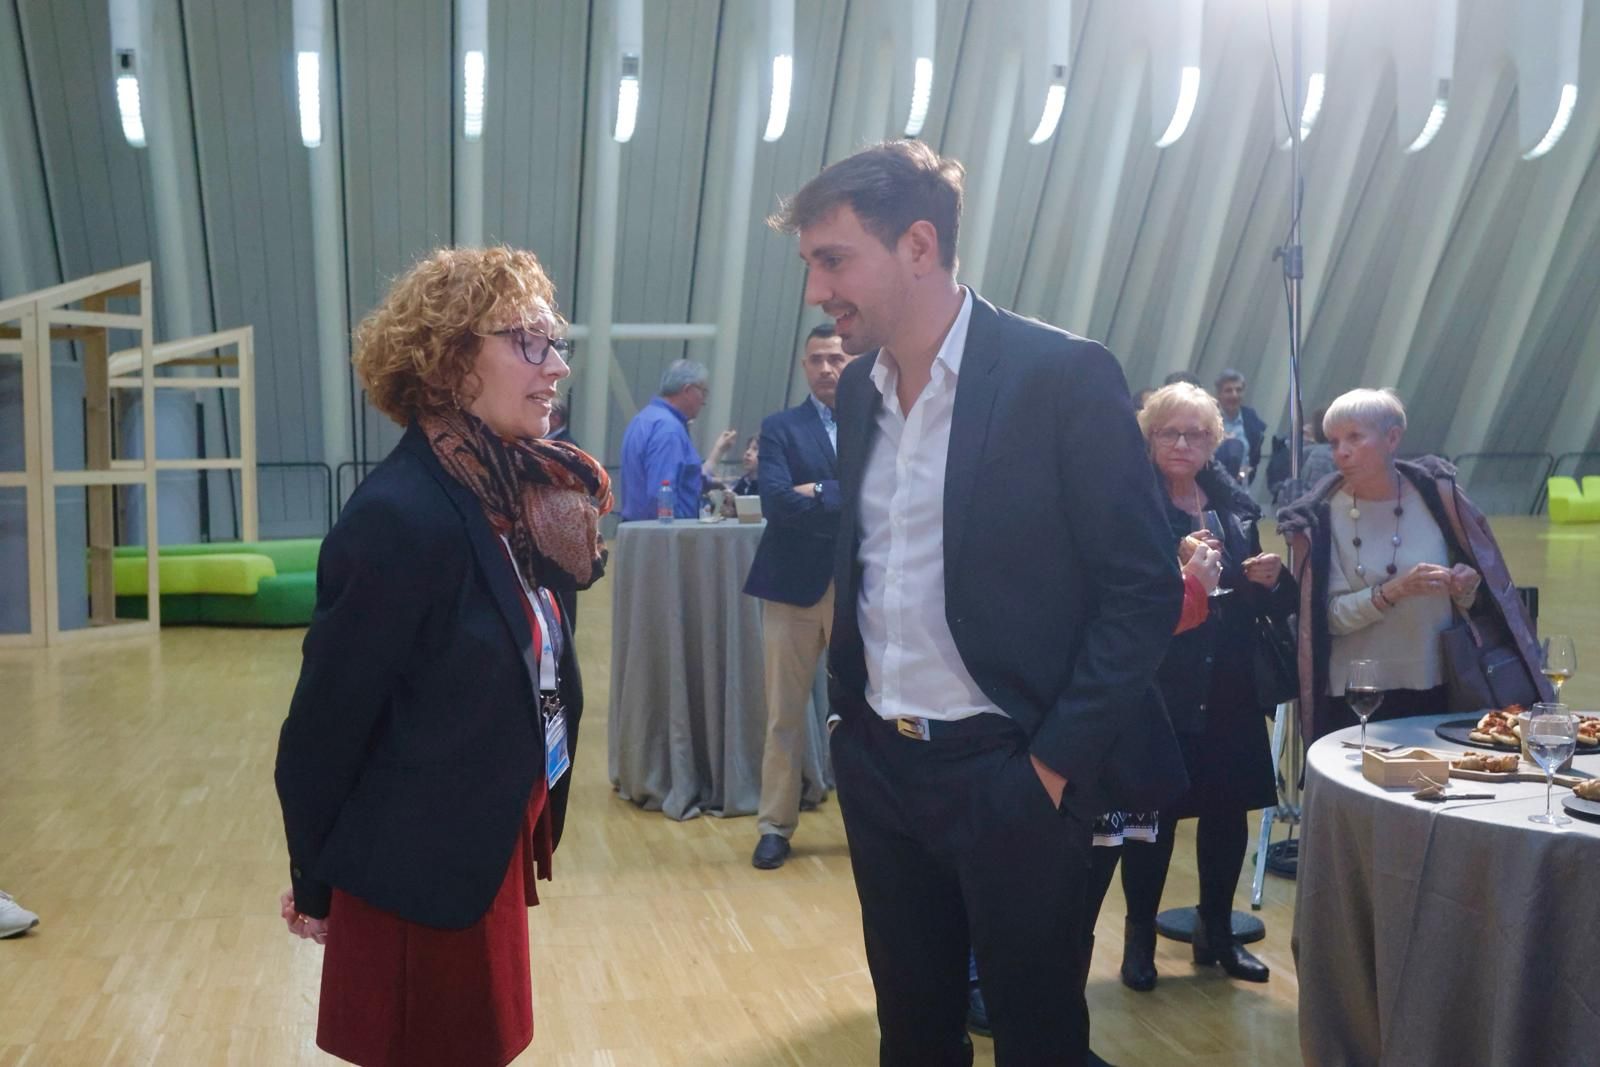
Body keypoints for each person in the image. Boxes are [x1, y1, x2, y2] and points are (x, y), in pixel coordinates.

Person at [774, 139, 1186, 1067]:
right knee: (912, 1037)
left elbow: (1142, 586)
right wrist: (853, 732)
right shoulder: (857, 400)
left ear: (919, 245)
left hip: (1010, 771)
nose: (816, 292)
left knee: (1038, 1038)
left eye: (833, 259)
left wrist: (1049, 767)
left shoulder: (1059, 376)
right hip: (882, 767)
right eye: (810, 264)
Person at [274, 246, 611, 1067]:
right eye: (528, 341)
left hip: (486, 844)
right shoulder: (400, 517)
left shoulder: (518, 495)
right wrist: (316, 882)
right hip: (416, 876)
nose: (557, 364)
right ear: (453, 360)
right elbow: (322, 731)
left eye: (554, 339)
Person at [1110, 383, 1297, 990]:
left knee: (1226, 815)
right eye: (1169, 432)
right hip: (1161, 682)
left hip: (1230, 679)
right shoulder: (1130, 503)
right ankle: (1138, 939)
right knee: (1152, 818)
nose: (1182, 443)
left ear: (1214, 441)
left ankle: (1215, 934)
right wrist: (1178, 564)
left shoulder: (1233, 504)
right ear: (1149, 438)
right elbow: (1123, 590)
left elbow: (1256, 595)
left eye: (1194, 433)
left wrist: (1271, 579)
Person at [1278, 388, 1549, 742]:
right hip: (1356, 695)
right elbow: (1324, 618)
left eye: (1354, 438)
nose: (1341, 453)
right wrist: (1397, 589)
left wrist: (1465, 589)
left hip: (1440, 685)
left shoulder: (1441, 499)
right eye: (1333, 442)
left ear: (1392, 438)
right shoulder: (1319, 516)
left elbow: (1475, 606)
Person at [744, 324, 855, 870]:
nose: (827, 368)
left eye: (836, 358)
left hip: (860, 590)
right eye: (817, 360)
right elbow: (775, 503)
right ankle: (775, 827)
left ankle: (869, 826)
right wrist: (843, 498)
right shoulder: (782, 426)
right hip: (791, 590)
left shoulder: (879, 422)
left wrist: (821, 492)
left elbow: (884, 495)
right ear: (804, 367)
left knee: (861, 716)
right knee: (784, 714)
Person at [617, 359, 738, 520]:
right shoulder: (669, 430)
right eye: (703, 392)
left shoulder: (643, 419)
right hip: (664, 537)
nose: (704, 401)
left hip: (639, 530)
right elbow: (662, 493)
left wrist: (709, 478)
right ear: (687, 390)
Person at [1214, 369, 1266, 485]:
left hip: (1240, 491)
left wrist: (1241, 476)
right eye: (1228, 391)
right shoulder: (1208, 419)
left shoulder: (1251, 421)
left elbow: (1252, 461)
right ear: (1218, 394)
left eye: (1239, 390)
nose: (1234, 395)